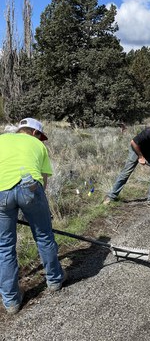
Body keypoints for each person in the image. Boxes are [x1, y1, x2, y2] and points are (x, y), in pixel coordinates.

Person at [0, 118, 65, 315]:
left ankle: (11, 301)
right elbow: (43, 184)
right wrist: (34, 208)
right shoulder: (38, 145)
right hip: (30, 187)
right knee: (44, 236)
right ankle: (54, 280)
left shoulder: (2, 140)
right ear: (35, 133)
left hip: (1, 191)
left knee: (4, 246)